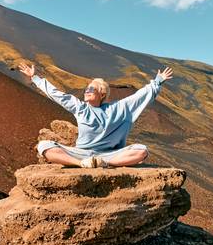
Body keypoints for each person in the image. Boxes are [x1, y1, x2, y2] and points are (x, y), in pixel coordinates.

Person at [18, 62, 173, 168]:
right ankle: (83, 165)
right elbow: (57, 95)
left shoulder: (118, 108)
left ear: (102, 93)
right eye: (86, 89)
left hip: (109, 155)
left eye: (91, 89)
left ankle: (104, 164)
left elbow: (139, 97)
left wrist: (158, 81)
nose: (87, 91)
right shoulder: (80, 108)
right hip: (81, 155)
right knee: (45, 146)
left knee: (142, 150)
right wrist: (35, 78)